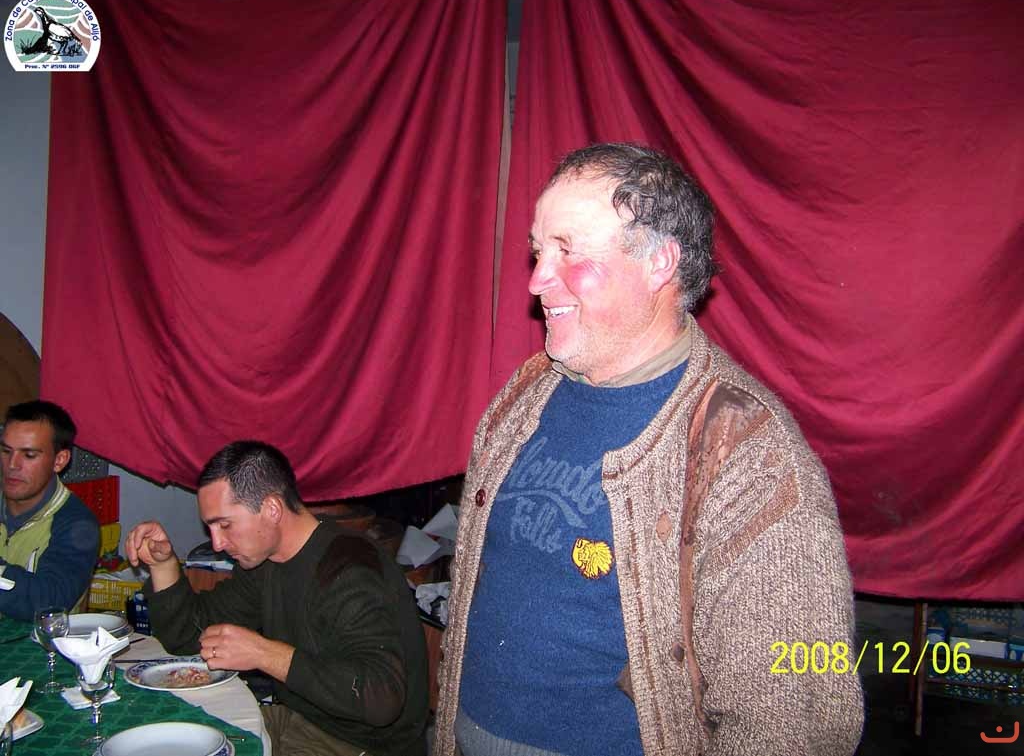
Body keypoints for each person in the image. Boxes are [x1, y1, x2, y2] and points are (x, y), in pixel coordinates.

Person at [434, 143, 864, 755]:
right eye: (538, 250)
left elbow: (801, 721)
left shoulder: (748, 454)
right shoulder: (527, 392)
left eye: (568, 250)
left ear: (659, 262)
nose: (536, 279)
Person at [126, 441, 429, 756]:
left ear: (271, 508)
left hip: (361, 744)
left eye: (225, 525)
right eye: (211, 528)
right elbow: (191, 636)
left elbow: (381, 698)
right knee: (168, 735)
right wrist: (163, 566)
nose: (216, 543)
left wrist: (263, 653)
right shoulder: (265, 562)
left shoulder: (350, 569)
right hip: (301, 720)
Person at [0, 399, 100, 621]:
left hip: (38, 642)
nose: (12, 465)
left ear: (59, 460)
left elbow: (50, 601)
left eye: (29, 455)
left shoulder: (76, 523)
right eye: (6, 451)